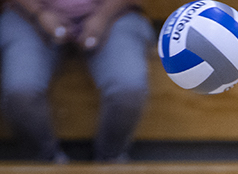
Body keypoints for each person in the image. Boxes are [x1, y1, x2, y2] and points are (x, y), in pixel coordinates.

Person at [0, 0, 154, 162]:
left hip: (115, 13)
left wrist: (102, 16)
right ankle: (47, 164)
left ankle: (110, 163)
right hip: (26, 15)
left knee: (128, 89)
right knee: (20, 90)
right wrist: (39, 12)